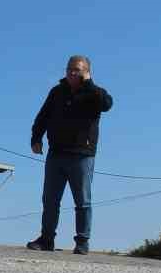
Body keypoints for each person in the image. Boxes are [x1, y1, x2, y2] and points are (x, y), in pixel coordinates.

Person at [27, 55, 113, 255]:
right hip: (56, 154)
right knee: (50, 200)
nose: (72, 73)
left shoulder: (94, 93)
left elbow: (107, 104)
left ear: (86, 72)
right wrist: (36, 138)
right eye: (69, 69)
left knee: (82, 201)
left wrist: (89, 84)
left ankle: (82, 242)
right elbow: (43, 116)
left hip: (82, 155)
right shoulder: (57, 92)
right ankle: (46, 239)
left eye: (77, 70)